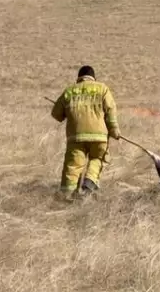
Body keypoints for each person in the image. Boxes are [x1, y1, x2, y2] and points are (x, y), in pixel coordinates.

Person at [50, 65, 121, 198]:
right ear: (93, 78)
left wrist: (65, 111)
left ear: (79, 78)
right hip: (99, 136)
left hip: (76, 137)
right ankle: (89, 181)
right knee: (97, 159)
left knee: (72, 167)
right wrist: (114, 130)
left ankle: (66, 196)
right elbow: (110, 110)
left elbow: (56, 114)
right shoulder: (102, 88)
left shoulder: (69, 91)